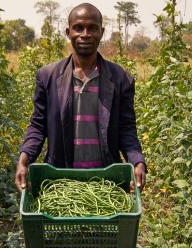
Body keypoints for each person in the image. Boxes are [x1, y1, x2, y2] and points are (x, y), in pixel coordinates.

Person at [14, 3, 146, 192]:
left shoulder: (120, 78)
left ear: (101, 32)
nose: (85, 34)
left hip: (106, 182)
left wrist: (137, 162)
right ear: (68, 32)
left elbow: (126, 129)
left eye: (92, 28)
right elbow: (38, 125)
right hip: (60, 180)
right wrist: (24, 161)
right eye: (78, 28)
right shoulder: (48, 76)